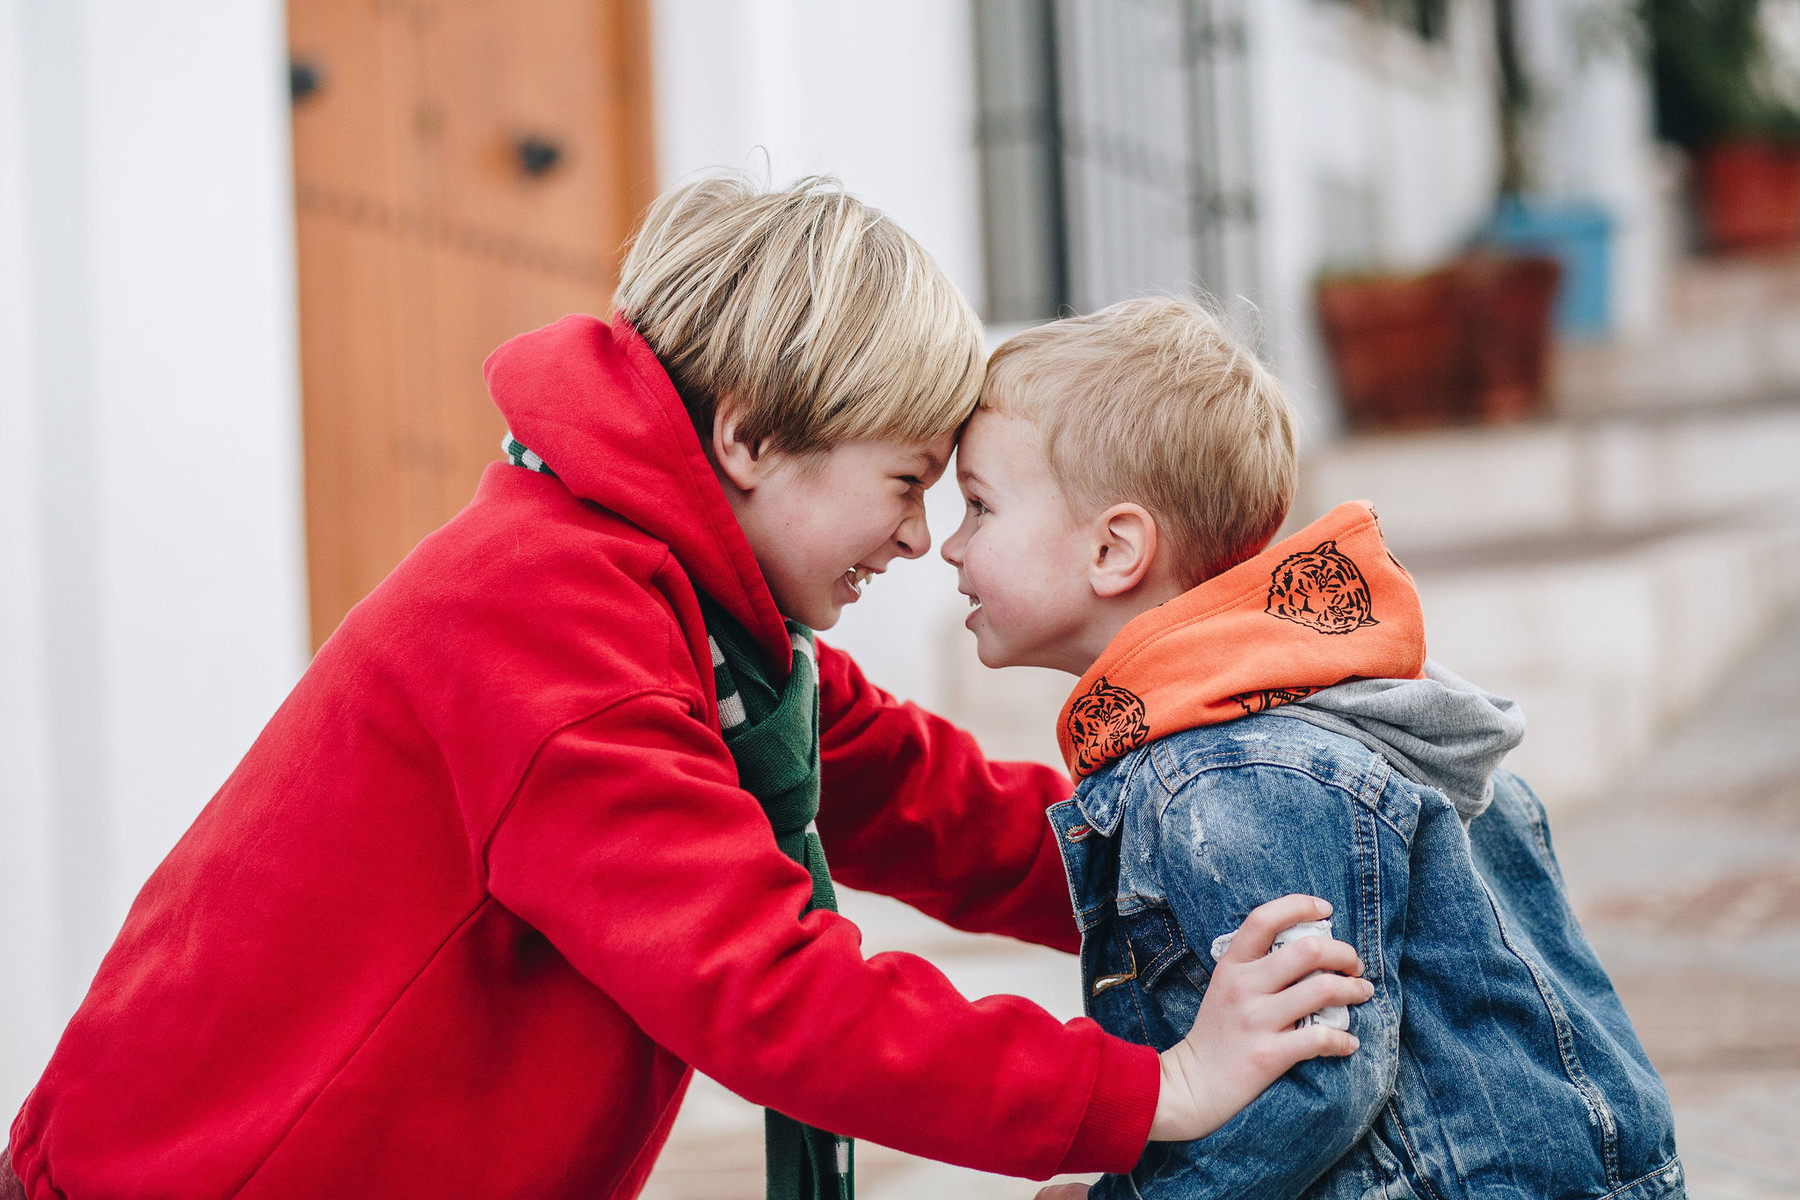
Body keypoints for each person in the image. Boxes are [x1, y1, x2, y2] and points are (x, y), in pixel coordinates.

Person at [3, 179, 1373, 1200]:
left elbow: (940, 806)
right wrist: (1155, 1090)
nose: (918, 538)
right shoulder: (545, 625)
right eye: (904, 482)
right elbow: (773, 994)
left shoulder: (695, 621)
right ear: (751, 436)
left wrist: (1247, 865)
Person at [942, 297, 1686, 1200]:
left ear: (1115, 548)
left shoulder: (1224, 777)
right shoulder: (1286, 721)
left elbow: (1317, 1076)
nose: (950, 545)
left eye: (979, 506)